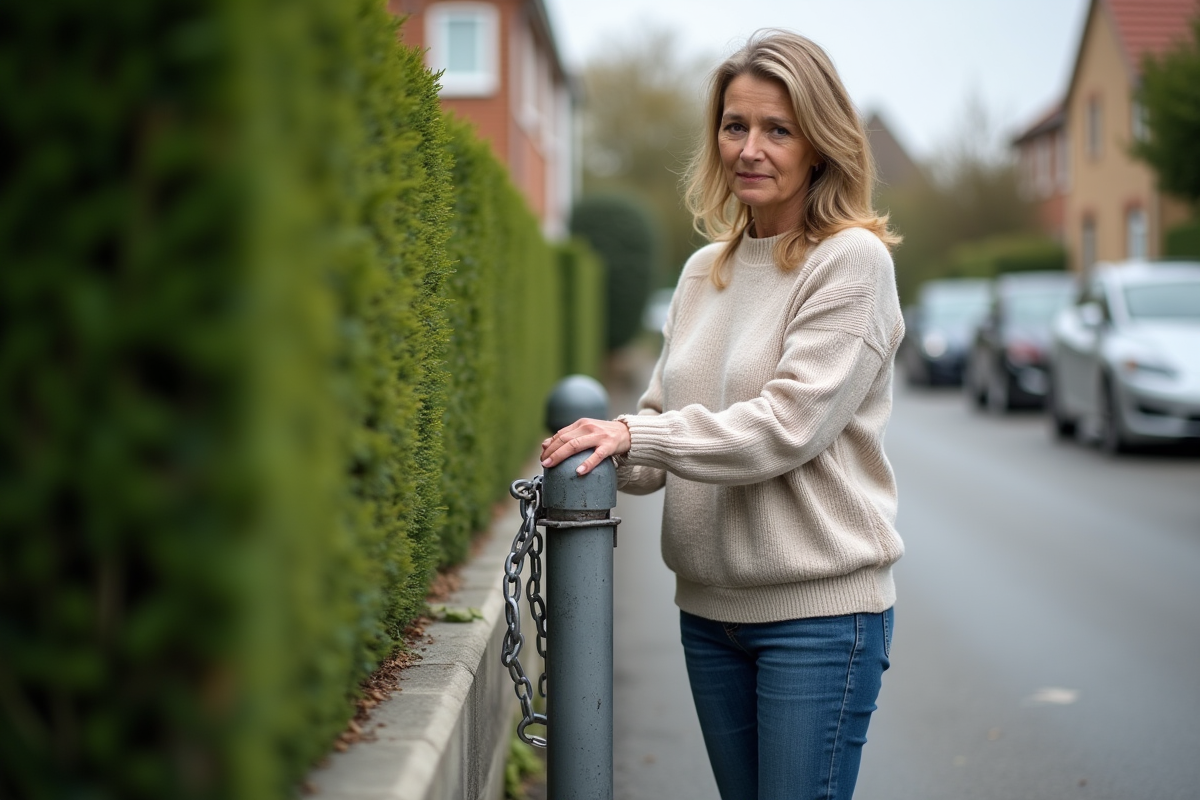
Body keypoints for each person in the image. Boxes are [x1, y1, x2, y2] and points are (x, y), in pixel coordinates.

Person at [540, 29, 904, 800]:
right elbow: (661, 422)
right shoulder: (703, 271)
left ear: (820, 145)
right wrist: (596, 452)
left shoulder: (852, 263)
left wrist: (640, 434)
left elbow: (784, 428)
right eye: (735, 125)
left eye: (779, 129)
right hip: (708, 615)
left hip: (819, 619)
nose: (751, 148)